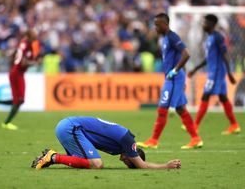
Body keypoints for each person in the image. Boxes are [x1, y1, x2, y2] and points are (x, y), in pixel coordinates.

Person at [137, 13, 203, 149]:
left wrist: (175, 70)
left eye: (157, 25)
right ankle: (196, 139)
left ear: (164, 24)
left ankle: (154, 140)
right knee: (180, 109)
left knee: (162, 108)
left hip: (173, 78)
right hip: (173, 78)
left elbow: (186, 54)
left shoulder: (173, 37)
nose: (155, 28)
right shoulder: (166, 38)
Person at [32, 116, 182, 170]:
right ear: (133, 154)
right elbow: (142, 166)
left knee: (84, 162)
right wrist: (165, 166)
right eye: (128, 161)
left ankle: (48, 158)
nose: (121, 159)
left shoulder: (120, 146)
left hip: (69, 127)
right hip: (71, 127)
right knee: (97, 164)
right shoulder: (128, 141)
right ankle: (53, 157)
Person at [187, 14, 241, 135]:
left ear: (212, 24)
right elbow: (209, 58)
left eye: (205, 22)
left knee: (205, 96)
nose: (203, 25)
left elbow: (225, 55)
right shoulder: (210, 37)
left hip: (216, 73)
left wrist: (229, 73)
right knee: (223, 98)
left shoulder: (218, 37)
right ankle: (234, 125)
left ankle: (195, 125)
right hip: (214, 71)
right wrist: (195, 69)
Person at [0, 30, 41, 130]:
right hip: (17, 74)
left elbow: (15, 56)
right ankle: (6, 123)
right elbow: (23, 63)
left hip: (16, 73)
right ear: (29, 35)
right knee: (20, 100)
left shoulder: (23, 43)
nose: (36, 36)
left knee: (19, 100)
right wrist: (35, 63)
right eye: (34, 34)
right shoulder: (26, 45)